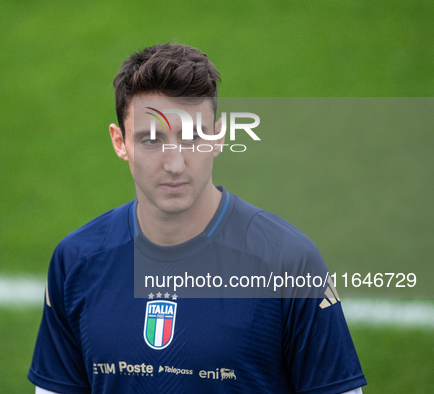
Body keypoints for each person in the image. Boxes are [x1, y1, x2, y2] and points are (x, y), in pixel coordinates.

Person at [28, 43, 367, 394]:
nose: (174, 165)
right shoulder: (76, 260)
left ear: (218, 137)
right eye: (151, 140)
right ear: (120, 142)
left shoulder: (288, 261)